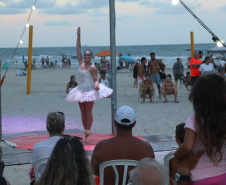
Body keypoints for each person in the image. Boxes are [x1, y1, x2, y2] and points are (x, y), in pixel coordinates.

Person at [174, 74, 226, 185]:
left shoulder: (194, 120)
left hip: (200, 177)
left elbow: (187, 147)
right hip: (223, 175)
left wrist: (177, 155)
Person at [66, 27, 113, 143]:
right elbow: (78, 48)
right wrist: (78, 36)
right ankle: (85, 131)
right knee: (82, 112)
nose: (86, 57)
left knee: (88, 111)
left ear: (91, 57)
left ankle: (88, 131)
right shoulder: (81, 63)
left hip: (90, 90)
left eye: (88, 55)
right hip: (80, 90)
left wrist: (97, 85)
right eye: (85, 55)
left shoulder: (92, 68)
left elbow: (95, 79)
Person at [91, 106, 155, 185]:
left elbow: (95, 171)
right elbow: (150, 174)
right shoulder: (146, 148)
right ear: (134, 124)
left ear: (114, 123)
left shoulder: (101, 146)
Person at [30, 112, 65, 184]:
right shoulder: (70, 146)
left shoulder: (37, 147)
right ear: (63, 128)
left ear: (47, 128)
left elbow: (35, 165)